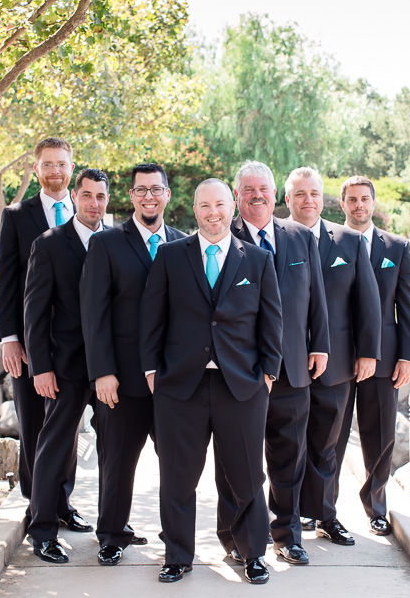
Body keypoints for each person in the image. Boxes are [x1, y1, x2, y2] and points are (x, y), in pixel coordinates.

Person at [141, 178, 282, 585]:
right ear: (194, 209)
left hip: (241, 387)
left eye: (220, 204)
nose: (213, 213)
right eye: (205, 206)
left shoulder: (256, 260)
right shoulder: (170, 256)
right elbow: (153, 318)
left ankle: (253, 554)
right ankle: (178, 555)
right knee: (178, 477)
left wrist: (268, 375)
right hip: (179, 387)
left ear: (231, 206)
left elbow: (272, 323)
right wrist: (153, 372)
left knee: (247, 476)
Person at [222, 160, 330, 566]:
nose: (257, 195)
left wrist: (319, 344)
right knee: (238, 460)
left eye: (263, 188)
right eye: (248, 189)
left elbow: (316, 296)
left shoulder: (300, 237)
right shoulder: (222, 236)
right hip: (241, 371)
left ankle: (287, 533)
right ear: (237, 195)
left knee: (290, 457)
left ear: (274, 193)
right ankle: (236, 538)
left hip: (293, 367)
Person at [79, 163, 186, 566]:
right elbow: (94, 314)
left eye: (155, 190)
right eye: (141, 190)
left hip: (174, 380)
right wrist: (101, 372)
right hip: (120, 379)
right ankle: (111, 533)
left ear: (167, 195)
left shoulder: (183, 242)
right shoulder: (107, 244)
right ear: (131, 196)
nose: (148, 197)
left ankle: (174, 537)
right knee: (118, 461)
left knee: (176, 464)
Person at [283, 167, 382, 544]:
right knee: (287, 445)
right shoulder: (275, 238)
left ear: (324, 198)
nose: (308, 200)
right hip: (287, 362)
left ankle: (324, 515)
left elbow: (367, 303)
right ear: (287, 198)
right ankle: (287, 518)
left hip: (338, 362)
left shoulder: (349, 241)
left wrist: (368, 353)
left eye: (314, 193)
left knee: (328, 447)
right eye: (300, 193)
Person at [0, 137, 88, 532]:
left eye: (61, 164)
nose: (55, 171)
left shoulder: (88, 214)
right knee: (34, 426)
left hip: (74, 344)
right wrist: (9, 338)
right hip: (30, 345)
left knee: (67, 427)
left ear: (71, 167)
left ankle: (63, 503)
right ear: (36, 170)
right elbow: (6, 282)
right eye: (47, 164)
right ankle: (38, 506)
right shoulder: (17, 216)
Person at [23, 168, 110, 563]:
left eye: (101, 196)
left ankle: (111, 524)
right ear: (75, 197)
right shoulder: (50, 245)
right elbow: (35, 313)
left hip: (112, 369)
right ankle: (41, 529)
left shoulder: (117, 241)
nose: (94, 203)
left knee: (113, 449)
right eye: (88, 195)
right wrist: (40, 367)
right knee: (54, 447)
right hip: (66, 366)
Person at [335, 175, 410, 537]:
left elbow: (408, 305)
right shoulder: (327, 242)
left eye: (364, 199)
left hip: (385, 358)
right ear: (343, 205)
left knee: (381, 435)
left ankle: (376, 506)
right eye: (352, 200)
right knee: (329, 438)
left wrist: (407, 356)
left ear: (373, 202)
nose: (359, 206)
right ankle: (322, 509)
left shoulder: (397, 247)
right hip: (337, 356)